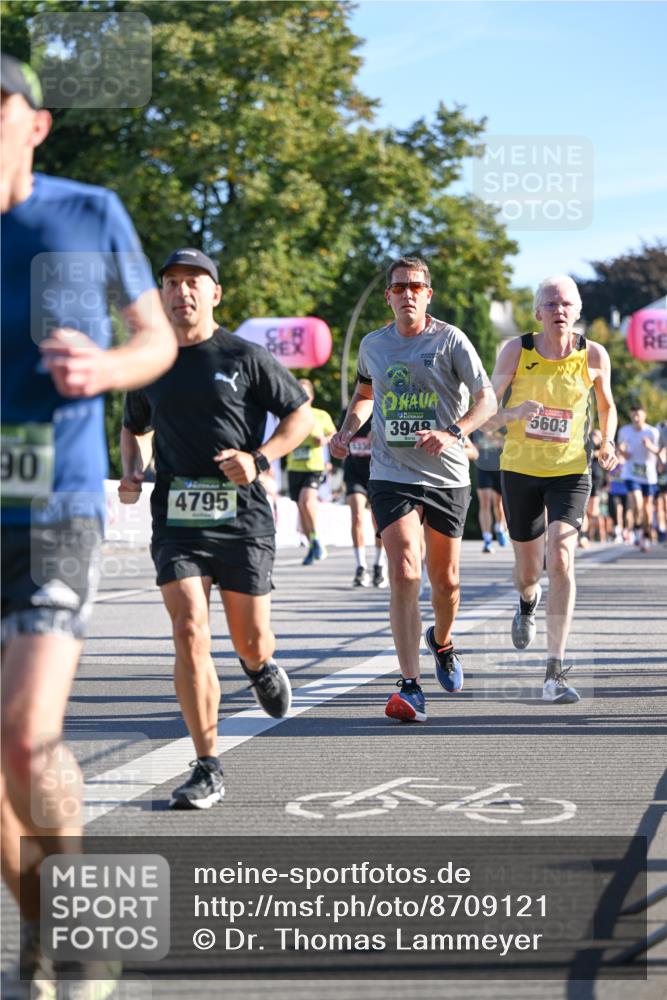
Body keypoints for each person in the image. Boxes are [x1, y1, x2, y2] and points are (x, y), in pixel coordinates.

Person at [0, 53, 177, 996]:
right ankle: (49, 924)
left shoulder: (88, 211)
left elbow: (156, 338)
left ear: (35, 124)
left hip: (53, 503)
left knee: (25, 734)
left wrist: (106, 369)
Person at [119, 247, 312, 809]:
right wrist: (132, 468)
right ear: (161, 294)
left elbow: (298, 414)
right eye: (172, 282)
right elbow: (135, 426)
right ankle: (207, 765)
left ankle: (258, 665)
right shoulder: (149, 360)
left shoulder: (244, 356)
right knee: (188, 630)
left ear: (215, 294)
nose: (182, 291)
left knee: (250, 638)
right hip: (177, 517)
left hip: (242, 517)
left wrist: (259, 457)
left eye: (194, 282)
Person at [330, 255, 497, 723]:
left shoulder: (450, 340)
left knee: (446, 581)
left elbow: (487, 400)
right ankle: (410, 684)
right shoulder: (373, 345)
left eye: (415, 287)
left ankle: (441, 641)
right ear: (388, 296)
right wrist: (347, 431)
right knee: (404, 571)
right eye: (399, 287)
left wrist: (453, 432)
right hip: (391, 473)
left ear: (428, 295)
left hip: (446, 475)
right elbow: (365, 396)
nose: (407, 294)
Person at [490, 274, 618, 704]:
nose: (559, 310)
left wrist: (607, 442)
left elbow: (607, 406)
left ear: (578, 311)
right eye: (550, 304)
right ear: (537, 312)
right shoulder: (516, 350)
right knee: (528, 572)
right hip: (520, 470)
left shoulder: (593, 354)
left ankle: (554, 669)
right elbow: (487, 411)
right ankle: (527, 600)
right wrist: (515, 413)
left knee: (561, 556)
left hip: (571, 471)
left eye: (566, 304)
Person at [286, 378, 336, 565]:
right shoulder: (288, 414)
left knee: (306, 502)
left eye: (305, 393)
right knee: (301, 509)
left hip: (314, 466)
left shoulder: (320, 415)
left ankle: (317, 543)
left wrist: (324, 440)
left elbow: (333, 434)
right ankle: (313, 543)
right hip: (294, 467)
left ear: (311, 397)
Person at [341, 415, 387, 587]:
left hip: (377, 472)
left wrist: (379, 435)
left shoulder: (382, 410)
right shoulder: (349, 413)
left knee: (378, 520)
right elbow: (340, 437)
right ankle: (360, 566)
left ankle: (379, 564)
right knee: (357, 516)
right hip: (354, 474)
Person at [617, 404, 660, 552]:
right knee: (637, 502)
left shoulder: (652, 432)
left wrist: (649, 446)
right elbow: (623, 454)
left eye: (638, 415)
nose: (636, 418)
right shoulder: (624, 431)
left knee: (647, 510)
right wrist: (621, 451)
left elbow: (659, 452)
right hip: (631, 473)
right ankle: (638, 532)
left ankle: (646, 535)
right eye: (633, 415)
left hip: (648, 476)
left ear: (644, 416)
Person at [470, 425, 509, 553]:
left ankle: (500, 527)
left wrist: (493, 437)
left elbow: (507, 445)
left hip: (499, 467)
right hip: (483, 467)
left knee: (498, 504)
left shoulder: (502, 424)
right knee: (485, 503)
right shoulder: (477, 426)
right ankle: (487, 539)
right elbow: (472, 447)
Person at [578, 429, 607, 547]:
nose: (596, 438)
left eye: (599, 436)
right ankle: (583, 536)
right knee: (583, 509)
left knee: (594, 510)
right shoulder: (587, 443)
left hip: (597, 481)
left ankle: (596, 534)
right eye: (594, 435)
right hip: (585, 478)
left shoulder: (603, 447)